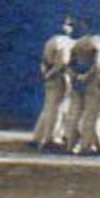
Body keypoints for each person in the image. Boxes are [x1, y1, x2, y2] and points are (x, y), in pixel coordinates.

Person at [63, 32, 100, 156]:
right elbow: (97, 65)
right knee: (91, 115)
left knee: (74, 113)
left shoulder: (77, 43)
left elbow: (69, 64)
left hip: (77, 80)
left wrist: (76, 76)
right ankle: (85, 145)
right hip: (93, 81)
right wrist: (86, 76)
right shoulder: (98, 44)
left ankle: (71, 143)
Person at [30, 19, 75, 149]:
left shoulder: (51, 40)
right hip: (60, 76)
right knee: (57, 108)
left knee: (48, 107)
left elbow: (43, 61)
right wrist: (51, 73)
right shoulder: (66, 42)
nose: (68, 27)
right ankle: (51, 138)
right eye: (67, 25)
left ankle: (38, 136)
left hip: (50, 76)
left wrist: (45, 74)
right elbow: (63, 62)